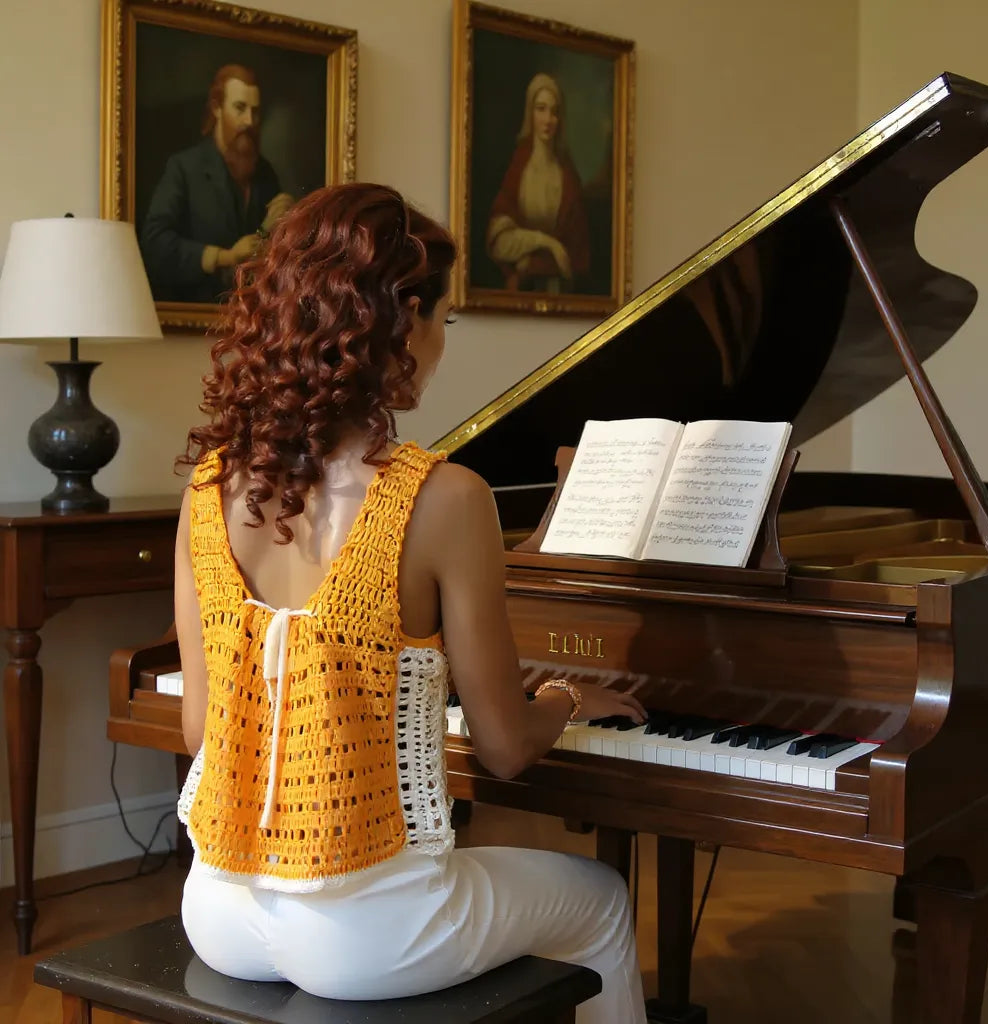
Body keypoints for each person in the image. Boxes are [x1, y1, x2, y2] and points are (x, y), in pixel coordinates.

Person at [172, 182, 648, 1023]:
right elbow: (504, 748)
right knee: (603, 901)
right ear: (404, 317)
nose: (442, 344)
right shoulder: (445, 497)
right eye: (445, 319)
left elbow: (198, 733)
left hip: (218, 911)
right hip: (368, 936)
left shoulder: (210, 488)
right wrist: (566, 697)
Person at [139, 63, 294, 304]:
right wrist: (223, 257)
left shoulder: (265, 173)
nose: (249, 121)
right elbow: (155, 244)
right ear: (217, 108)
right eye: (240, 108)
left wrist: (287, 222)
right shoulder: (185, 168)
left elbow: (265, 252)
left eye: (255, 111)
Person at [486, 72, 590, 293]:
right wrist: (548, 243)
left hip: (560, 294)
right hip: (519, 294)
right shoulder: (518, 168)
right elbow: (499, 243)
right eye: (541, 109)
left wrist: (530, 263)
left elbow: (574, 259)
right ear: (530, 113)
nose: (548, 119)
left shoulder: (568, 177)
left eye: (554, 111)